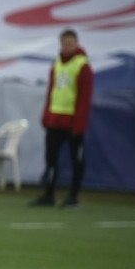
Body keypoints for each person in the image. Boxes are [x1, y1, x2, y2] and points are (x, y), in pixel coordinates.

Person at [30, 29, 93, 208]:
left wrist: (79, 124)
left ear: (76, 43)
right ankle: (48, 194)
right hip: (55, 120)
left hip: (72, 121)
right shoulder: (56, 63)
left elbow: (84, 97)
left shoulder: (83, 66)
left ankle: (73, 196)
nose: (66, 47)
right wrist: (46, 115)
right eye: (64, 44)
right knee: (50, 158)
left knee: (76, 159)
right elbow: (51, 91)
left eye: (70, 44)